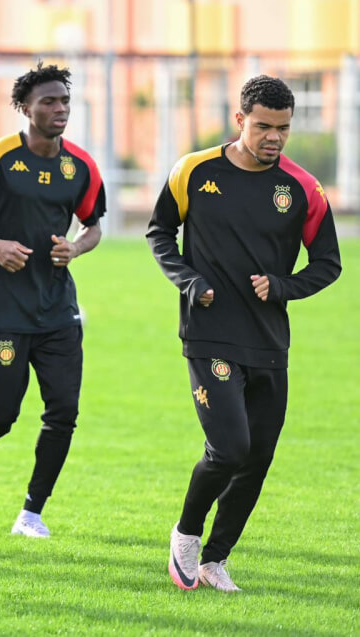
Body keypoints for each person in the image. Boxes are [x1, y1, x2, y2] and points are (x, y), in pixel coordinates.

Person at [147, 75, 341, 592]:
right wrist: (188, 281)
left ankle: (215, 559)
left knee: (258, 457)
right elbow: (160, 232)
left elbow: (328, 264)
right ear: (240, 121)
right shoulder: (194, 170)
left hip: (269, 341)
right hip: (209, 333)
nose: (273, 137)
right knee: (229, 448)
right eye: (262, 127)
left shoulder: (302, 188)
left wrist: (282, 286)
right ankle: (186, 536)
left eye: (282, 128)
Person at [0, 62, 105, 538]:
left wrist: (75, 247)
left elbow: (94, 224)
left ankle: (31, 513)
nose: (60, 110)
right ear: (24, 108)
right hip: (4, 310)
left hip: (58, 311)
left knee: (63, 414)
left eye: (64, 101)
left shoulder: (81, 166)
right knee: (2, 413)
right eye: (49, 102)